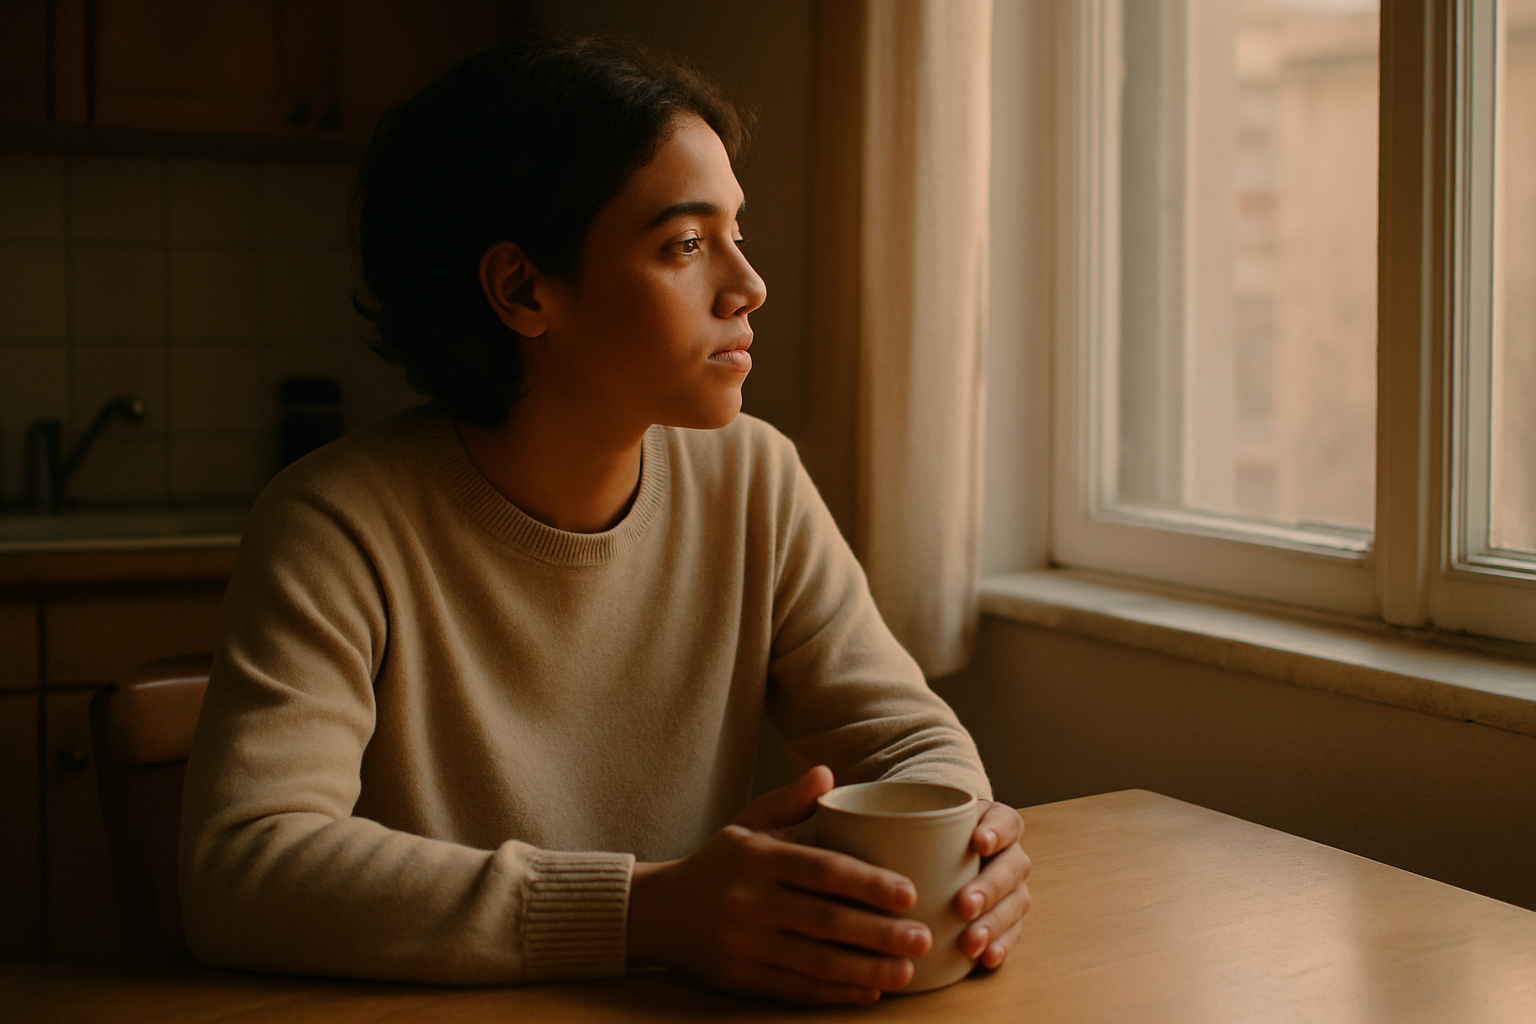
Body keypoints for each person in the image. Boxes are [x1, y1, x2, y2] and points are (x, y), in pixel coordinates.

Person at [179, 35, 1031, 1006]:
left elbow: (908, 739)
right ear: (522, 290)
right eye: (685, 243)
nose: (748, 286)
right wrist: (646, 911)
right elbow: (242, 870)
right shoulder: (333, 525)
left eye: (736, 232)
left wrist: (972, 844)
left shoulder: (754, 478)